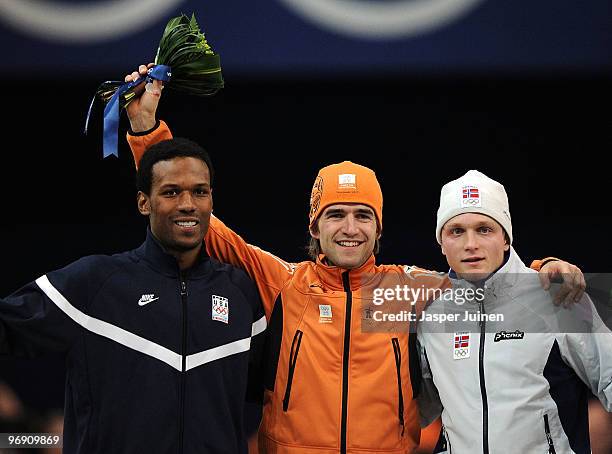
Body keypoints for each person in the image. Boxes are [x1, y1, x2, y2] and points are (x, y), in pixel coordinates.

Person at [123, 66, 586, 453]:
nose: (349, 228)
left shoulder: (407, 291)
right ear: (313, 226)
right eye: (336, 215)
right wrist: (146, 132)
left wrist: (543, 269)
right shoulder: (286, 284)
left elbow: (486, 277)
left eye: (363, 215)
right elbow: (202, 224)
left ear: (379, 229)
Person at [0, 138, 265, 454]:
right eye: (171, 192)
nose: (187, 204)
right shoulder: (95, 283)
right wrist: (24, 432)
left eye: (199, 191)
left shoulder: (240, 293)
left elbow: (274, 391)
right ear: (144, 202)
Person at [417, 170, 612, 453]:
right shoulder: (431, 313)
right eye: (456, 231)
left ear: (506, 238)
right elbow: (417, 410)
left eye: (484, 229)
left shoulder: (557, 295)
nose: (470, 243)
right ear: (442, 243)